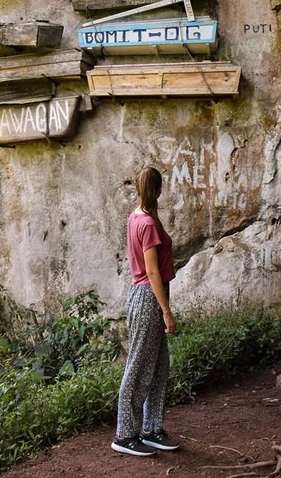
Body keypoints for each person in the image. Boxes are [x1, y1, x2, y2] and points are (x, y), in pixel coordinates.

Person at [111, 166, 180, 457]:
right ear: (160, 190)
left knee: (159, 365)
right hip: (149, 299)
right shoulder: (147, 224)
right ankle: (124, 434)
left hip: (146, 297)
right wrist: (166, 311)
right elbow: (152, 271)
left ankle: (150, 429)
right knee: (138, 366)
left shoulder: (140, 215)